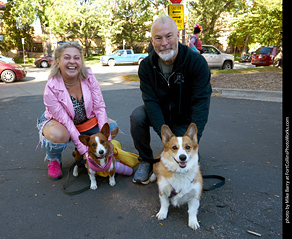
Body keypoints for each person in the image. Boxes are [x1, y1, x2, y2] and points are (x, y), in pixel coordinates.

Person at [130, 16, 211, 184]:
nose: (164, 43)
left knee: (185, 164)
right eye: (158, 38)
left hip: (184, 118)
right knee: (137, 116)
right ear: (152, 40)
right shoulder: (146, 66)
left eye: (169, 36)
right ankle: (146, 160)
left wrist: (193, 142)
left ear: (178, 36)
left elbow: (201, 104)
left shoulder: (196, 63)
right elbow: (150, 101)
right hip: (159, 114)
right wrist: (166, 138)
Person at [37, 42, 118, 180]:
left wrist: (107, 140)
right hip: (60, 123)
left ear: (81, 61)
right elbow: (67, 122)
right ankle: (54, 159)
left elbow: (99, 107)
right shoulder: (51, 86)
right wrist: (83, 150)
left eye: (77, 58)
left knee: (112, 127)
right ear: (58, 62)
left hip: (85, 121)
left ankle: (81, 152)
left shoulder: (89, 77)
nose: (72, 62)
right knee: (58, 135)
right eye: (67, 57)